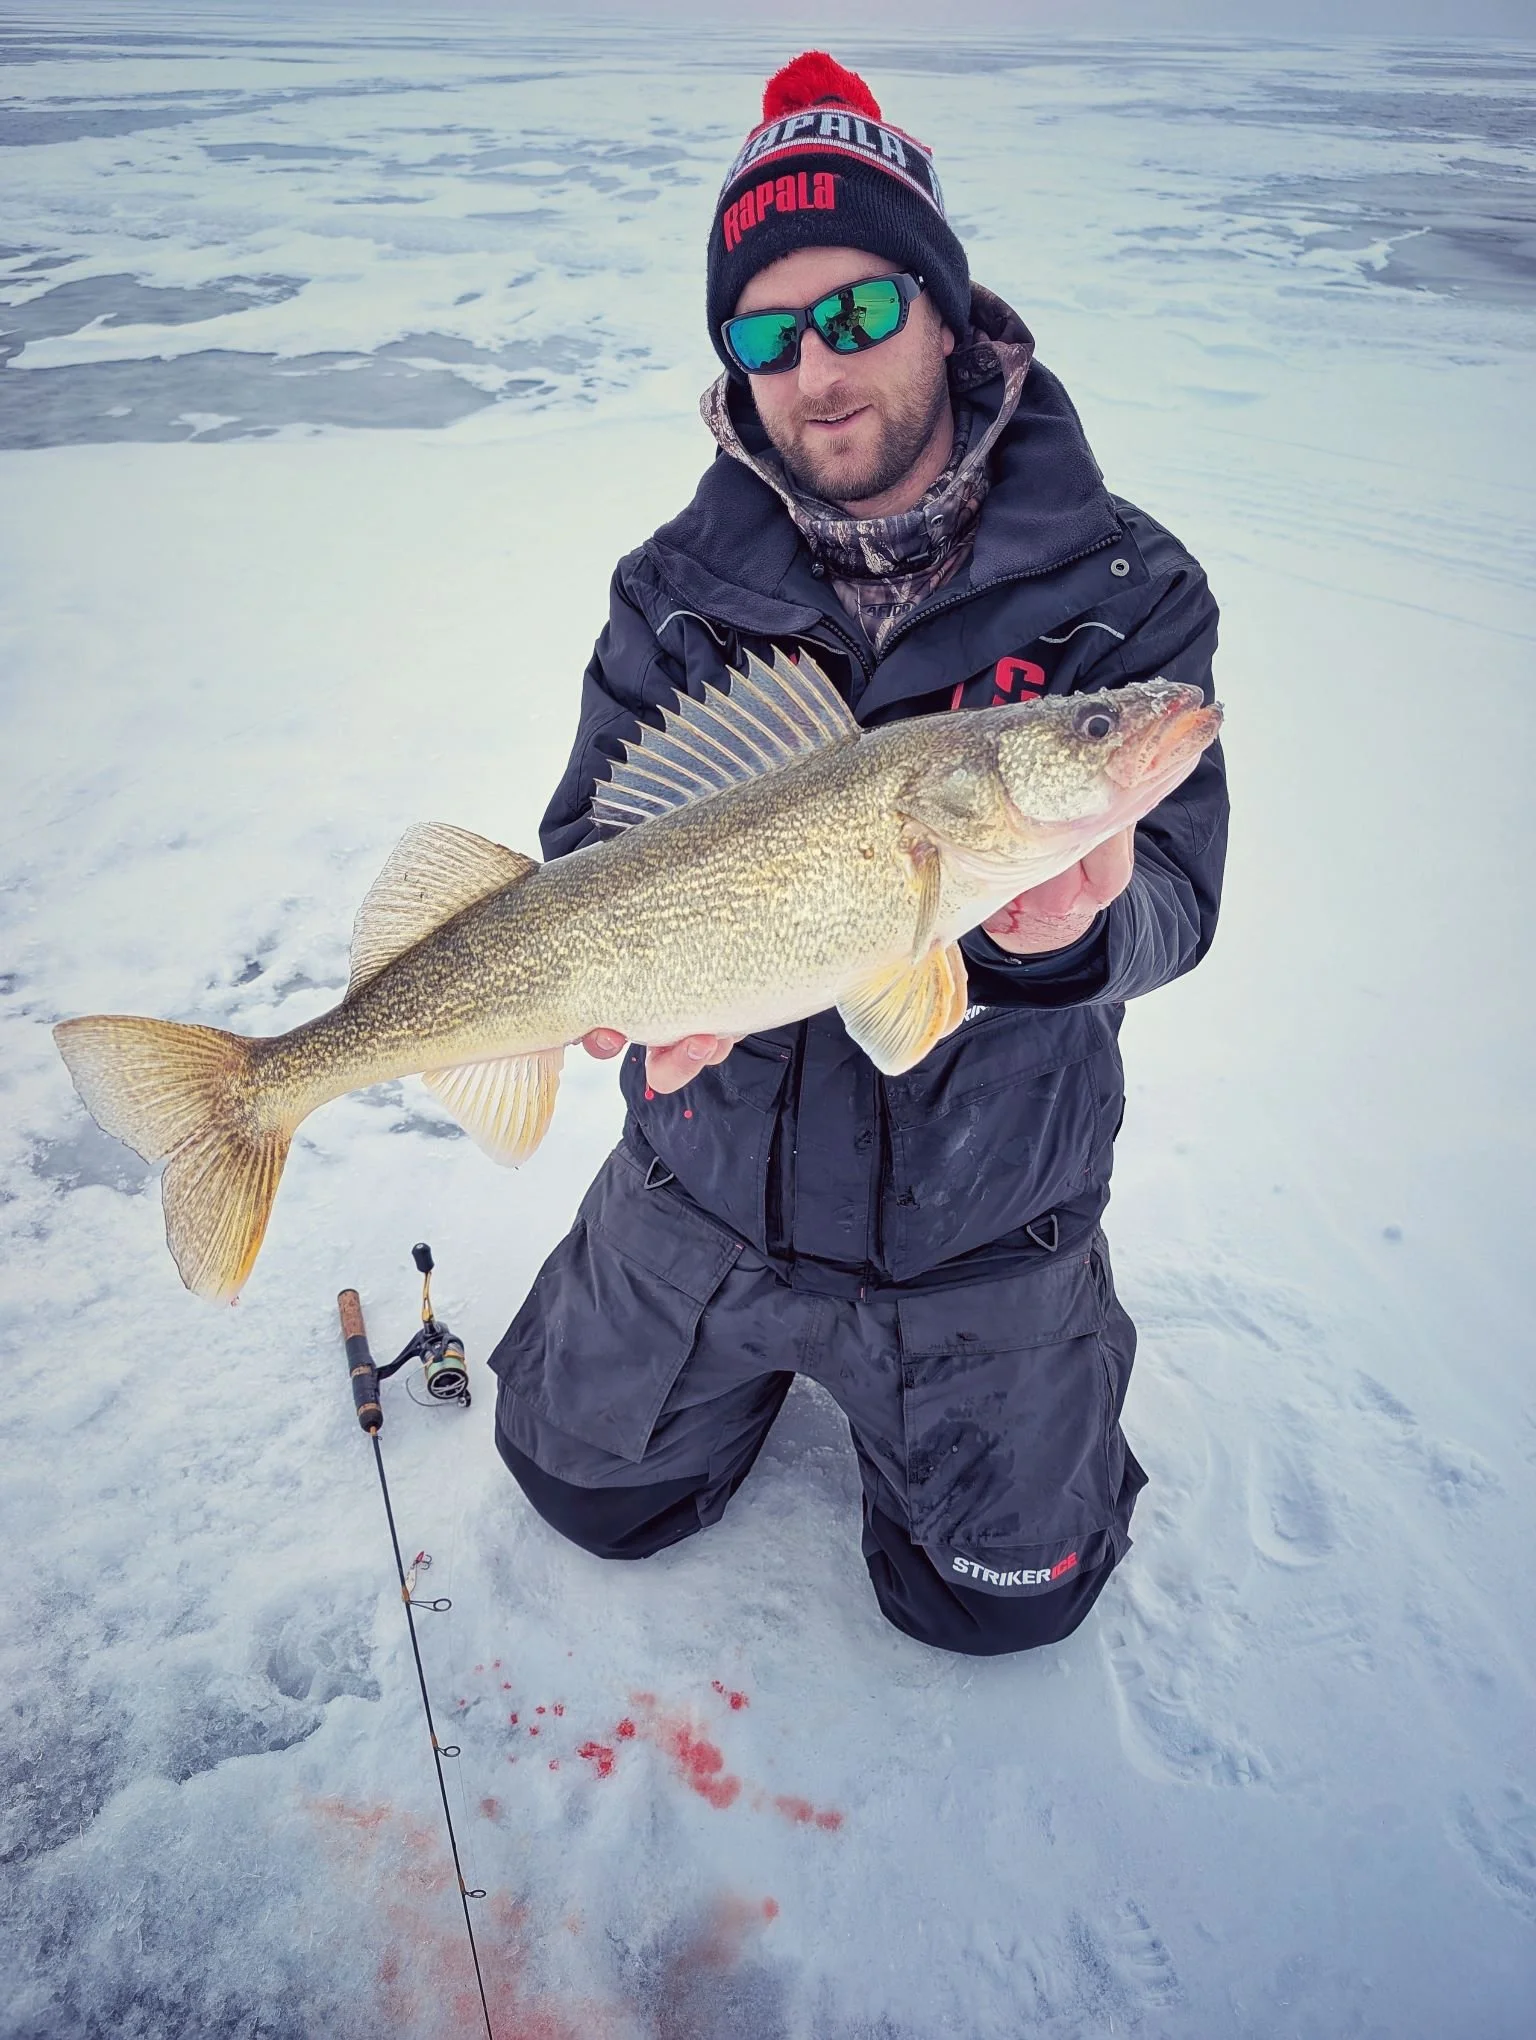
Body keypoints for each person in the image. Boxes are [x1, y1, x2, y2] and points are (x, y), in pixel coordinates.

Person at [488, 51, 1227, 1657]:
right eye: (764, 334)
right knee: (583, 1494)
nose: (815, 367)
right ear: (737, 373)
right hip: (710, 1185)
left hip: (983, 1222)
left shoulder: (1128, 586)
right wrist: (646, 986)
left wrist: (1067, 934)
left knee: (996, 1614)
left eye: (856, 315)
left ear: (946, 315)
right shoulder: (672, 589)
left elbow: (1178, 897)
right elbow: (581, 854)